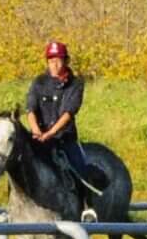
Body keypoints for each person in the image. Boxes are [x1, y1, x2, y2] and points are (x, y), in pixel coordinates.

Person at [25, 39, 105, 214]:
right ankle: (11, 209)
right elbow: (30, 108)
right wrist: (36, 130)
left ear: (66, 61)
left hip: (64, 138)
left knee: (80, 166)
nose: (54, 64)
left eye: (58, 60)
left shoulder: (76, 84)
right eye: (51, 60)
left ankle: (87, 207)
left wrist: (51, 133)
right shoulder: (38, 82)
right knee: (19, 162)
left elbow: (68, 113)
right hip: (40, 138)